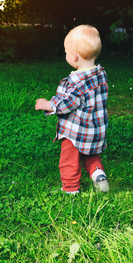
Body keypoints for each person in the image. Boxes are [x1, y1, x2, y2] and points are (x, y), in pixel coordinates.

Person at [35, 24, 110, 194]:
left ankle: (70, 189)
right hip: (96, 129)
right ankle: (98, 173)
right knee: (90, 153)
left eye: (66, 52)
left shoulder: (76, 81)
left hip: (75, 131)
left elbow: (68, 103)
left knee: (69, 158)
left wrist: (48, 104)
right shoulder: (100, 74)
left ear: (74, 56)